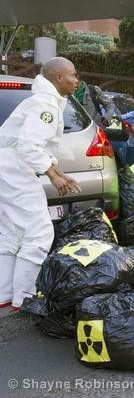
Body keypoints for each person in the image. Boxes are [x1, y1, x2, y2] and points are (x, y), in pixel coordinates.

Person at [0, 57, 81, 309]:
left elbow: (37, 148)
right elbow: (29, 146)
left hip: (7, 168)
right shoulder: (45, 105)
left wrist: (57, 171)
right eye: (73, 75)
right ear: (59, 78)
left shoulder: (42, 101)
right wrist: (53, 176)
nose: (76, 81)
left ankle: (4, 296)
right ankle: (24, 298)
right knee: (39, 232)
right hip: (14, 170)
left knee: (11, 234)